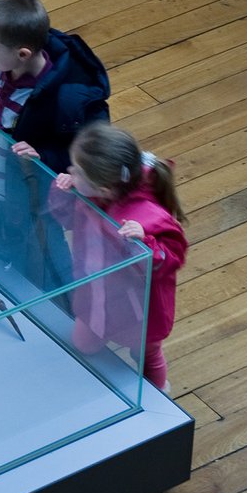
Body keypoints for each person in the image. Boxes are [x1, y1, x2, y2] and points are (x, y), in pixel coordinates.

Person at [0, 0, 110, 297]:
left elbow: (92, 149)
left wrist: (42, 157)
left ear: (22, 54)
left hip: (32, 199)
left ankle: (62, 304)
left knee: (43, 252)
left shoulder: (70, 96)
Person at [52, 122, 188, 392]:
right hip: (96, 293)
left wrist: (147, 243)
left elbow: (174, 256)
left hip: (138, 307)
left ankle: (157, 393)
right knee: (83, 343)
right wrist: (62, 192)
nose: (70, 172)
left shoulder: (147, 216)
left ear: (104, 190)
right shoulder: (90, 195)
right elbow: (66, 220)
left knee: (146, 354)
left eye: (76, 171)